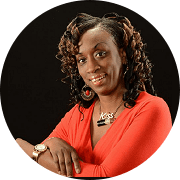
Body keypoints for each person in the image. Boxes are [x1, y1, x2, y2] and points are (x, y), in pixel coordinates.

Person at [15, 12, 172, 177]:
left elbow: (104, 175)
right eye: (82, 60)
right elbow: (43, 165)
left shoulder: (152, 109)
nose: (91, 67)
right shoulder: (79, 114)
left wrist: (23, 148)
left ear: (123, 54)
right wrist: (52, 143)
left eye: (100, 54)